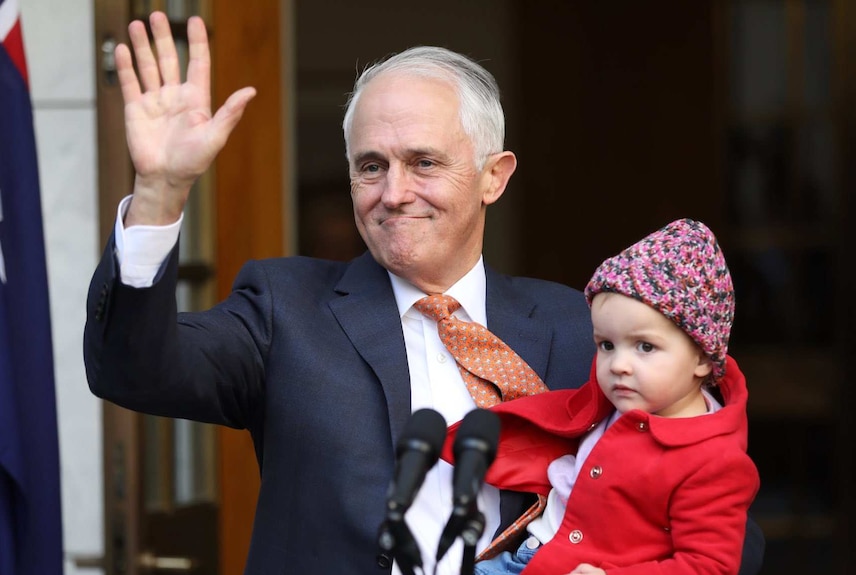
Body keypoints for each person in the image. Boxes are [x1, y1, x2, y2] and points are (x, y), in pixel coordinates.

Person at [83, 11, 764, 575]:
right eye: (370, 166)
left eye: (424, 163)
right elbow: (133, 368)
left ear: (493, 176)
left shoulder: (579, 326)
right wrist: (161, 193)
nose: (393, 192)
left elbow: (722, 517)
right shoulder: (284, 306)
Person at [442, 219, 758, 575]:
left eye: (645, 347)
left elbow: (708, 566)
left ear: (702, 356)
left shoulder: (714, 460)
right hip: (525, 557)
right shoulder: (616, 404)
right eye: (606, 345)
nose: (619, 364)